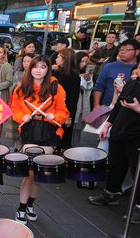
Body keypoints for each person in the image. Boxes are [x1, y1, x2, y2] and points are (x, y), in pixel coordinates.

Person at [10, 55, 69, 224]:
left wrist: (54, 116)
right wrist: (23, 116)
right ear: (30, 68)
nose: (38, 70)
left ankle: (30, 204)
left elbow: (64, 113)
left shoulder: (56, 87)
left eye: (43, 67)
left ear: (48, 69)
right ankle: (21, 207)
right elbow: (14, 110)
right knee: (29, 171)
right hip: (30, 130)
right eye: (35, 67)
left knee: (38, 172)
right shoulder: (21, 88)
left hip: (50, 131)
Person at [88, 62, 140, 223]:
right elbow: (118, 106)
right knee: (115, 165)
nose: (138, 69)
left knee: (137, 173)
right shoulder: (132, 83)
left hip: (136, 136)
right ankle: (110, 194)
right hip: (119, 131)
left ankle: (138, 207)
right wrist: (108, 125)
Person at [93, 39, 140, 109]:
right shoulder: (109, 66)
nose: (122, 52)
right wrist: (96, 105)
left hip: (131, 110)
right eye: (121, 50)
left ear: (137, 52)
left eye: (127, 50)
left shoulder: (138, 69)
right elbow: (99, 87)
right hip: (108, 107)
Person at [4, 53, 35, 150]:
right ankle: (17, 146)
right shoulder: (18, 73)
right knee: (15, 126)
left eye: (29, 61)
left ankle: (24, 147)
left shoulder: (36, 75)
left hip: (30, 105)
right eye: (24, 61)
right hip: (17, 102)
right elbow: (15, 87)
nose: (26, 64)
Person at [54, 49, 80, 149]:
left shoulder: (74, 76)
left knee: (63, 139)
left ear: (65, 60)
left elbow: (73, 99)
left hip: (65, 111)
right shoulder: (56, 73)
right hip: (53, 110)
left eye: (58, 57)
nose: (56, 59)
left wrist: (69, 117)